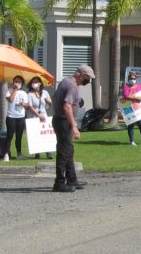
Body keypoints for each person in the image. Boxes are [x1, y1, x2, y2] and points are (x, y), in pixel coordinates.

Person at [51, 64, 94, 193]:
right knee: (64, 151)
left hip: (59, 119)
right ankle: (59, 182)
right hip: (64, 121)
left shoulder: (65, 81)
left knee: (68, 150)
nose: (88, 81)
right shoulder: (72, 86)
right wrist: (74, 126)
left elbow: (54, 99)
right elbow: (67, 106)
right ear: (82, 76)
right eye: (88, 78)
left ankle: (72, 179)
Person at [3, 75, 29, 161]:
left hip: (21, 117)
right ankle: (6, 153)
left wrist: (23, 104)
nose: (17, 83)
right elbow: (10, 100)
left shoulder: (24, 93)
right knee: (9, 136)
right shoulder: (9, 91)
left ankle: (19, 153)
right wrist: (15, 89)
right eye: (16, 81)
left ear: (22, 83)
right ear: (13, 82)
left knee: (19, 136)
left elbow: (27, 105)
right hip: (11, 116)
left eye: (19, 82)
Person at [26, 77, 54, 158]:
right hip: (34, 116)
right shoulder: (30, 94)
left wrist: (48, 101)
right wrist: (38, 115)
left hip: (44, 115)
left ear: (40, 83)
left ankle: (48, 153)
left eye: (36, 82)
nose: (34, 84)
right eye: (33, 82)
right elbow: (30, 106)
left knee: (45, 134)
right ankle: (37, 153)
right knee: (36, 135)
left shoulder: (45, 92)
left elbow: (50, 103)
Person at [122, 71, 141, 145]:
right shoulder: (126, 87)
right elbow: (126, 96)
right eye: (131, 78)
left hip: (138, 109)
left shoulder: (139, 86)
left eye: (134, 78)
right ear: (128, 79)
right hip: (129, 108)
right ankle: (132, 141)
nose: (133, 80)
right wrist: (136, 98)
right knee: (130, 125)